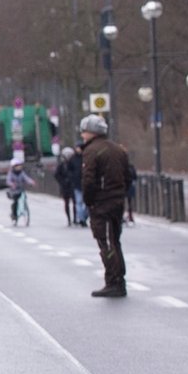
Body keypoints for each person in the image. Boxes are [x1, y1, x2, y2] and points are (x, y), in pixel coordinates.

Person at [78, 113, 137, 298]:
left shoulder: (92, 151)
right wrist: (121, 193)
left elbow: (88, 180)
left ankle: (114, 282)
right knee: (115, 241)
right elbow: (128, 176)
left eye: (84, 132)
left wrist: (89, 201)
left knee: (106, 243)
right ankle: (119, 279)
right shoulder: (118, 150)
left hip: (101, 203)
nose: (82, 135)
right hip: (117, 201)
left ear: (91, 132)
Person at [55, 146, 83, 226]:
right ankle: (69, 219)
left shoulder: (74, 162)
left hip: (73, 185)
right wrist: (62, 182)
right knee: (67, 203)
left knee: (75, 202)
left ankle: (75, 218)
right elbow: (57, 175)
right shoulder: (61, 165)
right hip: (65, 186)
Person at [4, 159, 30, 224]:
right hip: (14, 191)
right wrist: (12, 184)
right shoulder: (11, 173)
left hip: (21, 189)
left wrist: (31, 182)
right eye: (17, 166)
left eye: (19, 166)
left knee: (24, 197)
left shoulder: (22, 173)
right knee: (15, 202)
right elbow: (8, 181)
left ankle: (25, 208)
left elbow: (26, 178)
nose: (19, 168)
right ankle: (14, 215)